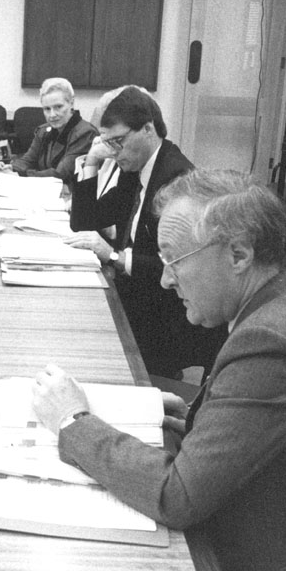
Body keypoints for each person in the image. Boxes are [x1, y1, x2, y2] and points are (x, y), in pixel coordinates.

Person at [32, 169, 286, 571]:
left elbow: (177, 496)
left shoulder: (270, 341)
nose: (165, 280)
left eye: (174, 260)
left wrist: (74, 422)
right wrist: (203, 414)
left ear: (238, 255)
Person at [63, 86, 226, 377]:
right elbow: (85, 222)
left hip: (164, 312)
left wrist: (114, 256)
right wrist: (91, 162)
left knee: (82, 340)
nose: (114, 152)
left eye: (118, 141)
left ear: (148, 129)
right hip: (137, 292)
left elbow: (180, 268)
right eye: (107, 143)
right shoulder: (136, 169)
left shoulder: (176, 177)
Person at [10, 78, 96, 182]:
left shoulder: (85, 133)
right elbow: (27, 160)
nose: (52, 115)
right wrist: (10, 169)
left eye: (58, 107)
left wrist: (20, 174)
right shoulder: (43, 131)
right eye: (47, 109)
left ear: (71, 103)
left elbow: (61, 174)